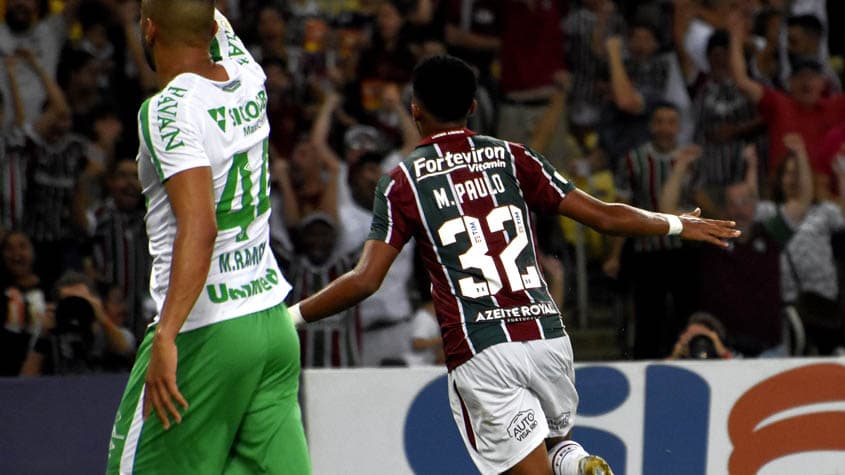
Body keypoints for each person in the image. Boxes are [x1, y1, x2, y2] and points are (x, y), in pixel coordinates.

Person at [289, 55, 739, 475]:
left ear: (415, 111)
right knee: (558, 445)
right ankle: (575, 462)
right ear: (471, 107)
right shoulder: (513, 156)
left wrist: (289, 316)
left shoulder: (402, 182)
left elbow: (366, 279)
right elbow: (604, 217)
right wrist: (674, 224)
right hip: (547, 337)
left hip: (484, 350)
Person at [106, 3, 311, 474]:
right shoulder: (248, 71)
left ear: (149, 29)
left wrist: (167, 333)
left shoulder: (167, 111)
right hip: (270, 324)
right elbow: (210, 18)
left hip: (207, 328)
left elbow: (200, 226)